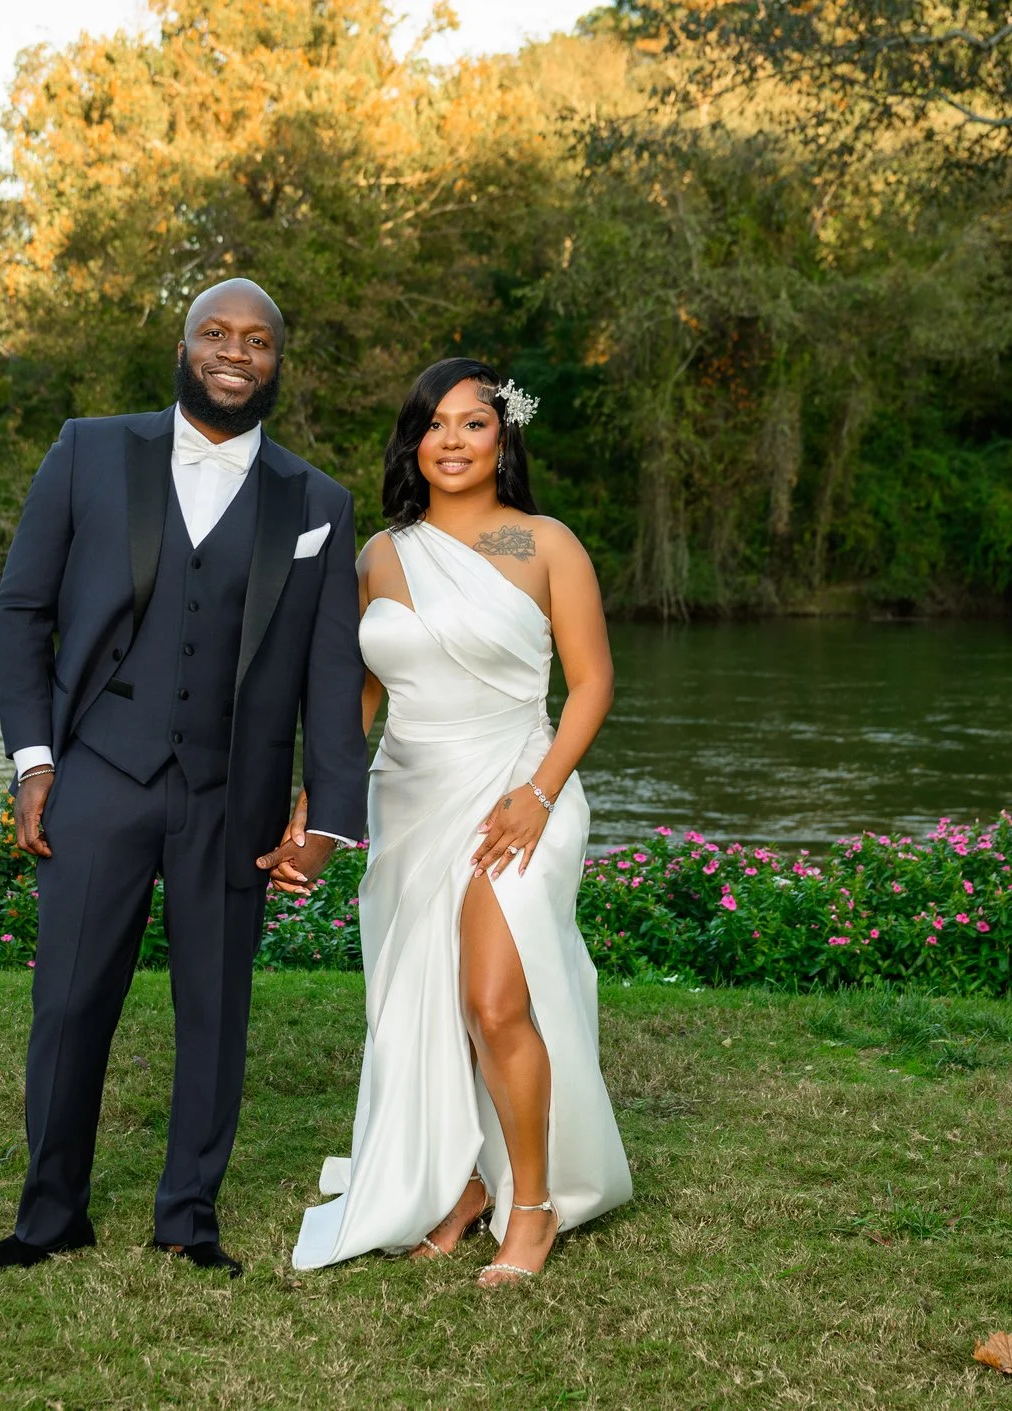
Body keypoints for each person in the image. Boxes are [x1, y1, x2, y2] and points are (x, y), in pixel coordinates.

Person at [0, 278, 368, 1280]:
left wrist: (330, 816)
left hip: (237, 796)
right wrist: (33, 757)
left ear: (278, 362)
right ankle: (50, 1214)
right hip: (98, 772)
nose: (237, 351)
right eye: (216, 334)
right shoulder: (89, 451)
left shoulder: (318, 502)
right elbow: (21, 611)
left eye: (259, 340)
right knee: (66, 1001)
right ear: (183, 346)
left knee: (216, 1010)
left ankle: (187, 1217)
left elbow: (332, 669)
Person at [286, 357, 631, 1285]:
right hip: (410, 792)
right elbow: (354, 709)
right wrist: (314, 812)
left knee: (491, 997)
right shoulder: (380, 557)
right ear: (413, 439)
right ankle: (460, 1188)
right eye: (434, 423)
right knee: (426, 1002)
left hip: (520, 785)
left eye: (473, 423)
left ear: (503, 438)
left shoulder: (545, 543)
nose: (451, 439)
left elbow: (593, 682)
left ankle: (533, 1202)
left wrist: (542, 791)